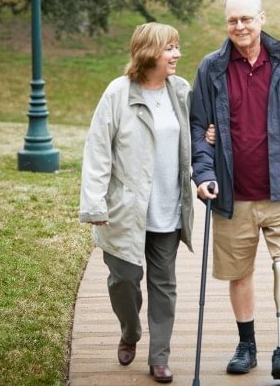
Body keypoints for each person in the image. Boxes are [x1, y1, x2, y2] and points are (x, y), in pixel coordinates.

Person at [190, 0, 280, 380]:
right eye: (233, 20)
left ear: (262, 19)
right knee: (239, 273)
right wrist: (204, 174)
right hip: (233, 194)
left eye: (247, 19)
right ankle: (246, 345)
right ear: (226, 24)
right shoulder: (211, 68)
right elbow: (199, 128)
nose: (240, 27)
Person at [79, 22, 193, 384]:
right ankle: (130, 331)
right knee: (124, 280)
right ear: (149, 52)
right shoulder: (118, 92)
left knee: (165, 284)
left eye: (177, 47)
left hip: (168, 207)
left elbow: (199, 135)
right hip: (124, 211)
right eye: (170, 48)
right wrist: (94, 205)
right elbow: (98, 151)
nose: (177, 55)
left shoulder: (181, 90)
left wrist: (210, 135)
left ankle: (159, 357)